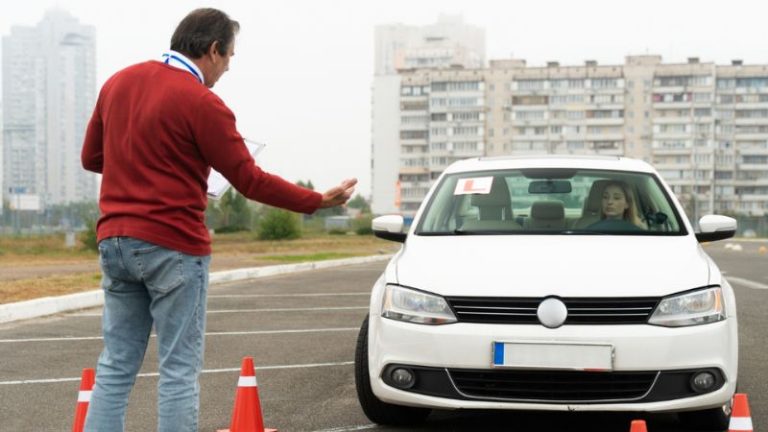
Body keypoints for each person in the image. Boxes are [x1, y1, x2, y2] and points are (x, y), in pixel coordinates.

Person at [80, 8, 356, 432]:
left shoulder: (118, 83)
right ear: (212, 50)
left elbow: (92, 157)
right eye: (228, 58)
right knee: (178, 370)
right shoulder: (202, 102)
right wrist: (316, 200)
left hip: (115, 240)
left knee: (115, 366)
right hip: (172, 246)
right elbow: (249, 179)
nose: (227, 68)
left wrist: (145, 165)